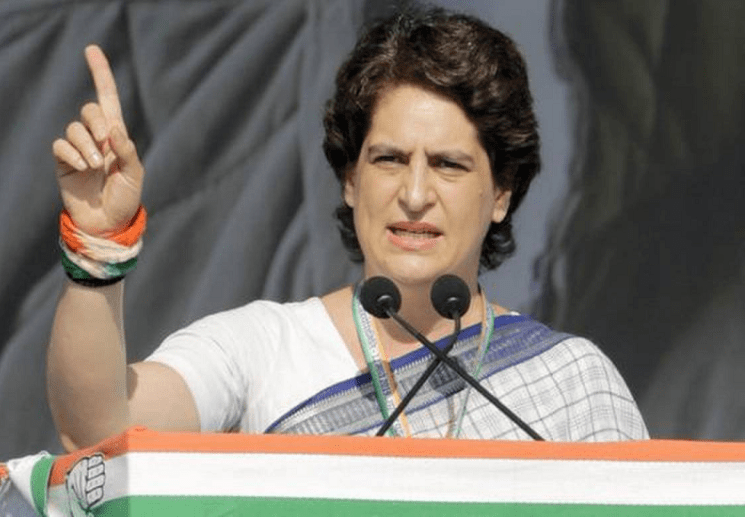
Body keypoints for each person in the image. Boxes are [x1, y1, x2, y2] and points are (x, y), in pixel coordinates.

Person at [48, 8, 648, 451]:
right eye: (390, 160)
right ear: (350, 180)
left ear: (500, 194)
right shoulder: (264, 349)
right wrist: (98, 244)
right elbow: (99, 430)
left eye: (448, 164)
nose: (415, 195)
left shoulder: (572, 383)